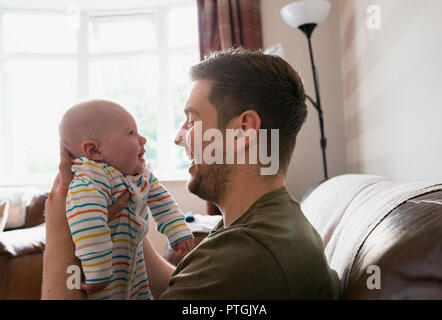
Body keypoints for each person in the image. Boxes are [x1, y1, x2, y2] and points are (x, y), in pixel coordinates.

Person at [43, 48, 340, 300]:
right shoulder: (264, 223)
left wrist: (58, 232)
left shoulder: (246, 256)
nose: (178, 137)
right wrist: (128, 210)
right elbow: (183, 284)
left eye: (191, 120)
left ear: (243, 130)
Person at [57, 100, 194, 299]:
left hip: (135, 273)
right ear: (94, 150)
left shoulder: (140, 176)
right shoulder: (89, 182)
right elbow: (88, 225)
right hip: (106, 281)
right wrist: (98, 272)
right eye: (131, 133)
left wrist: (178, 231)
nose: (143, 139)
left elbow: (162, 200)